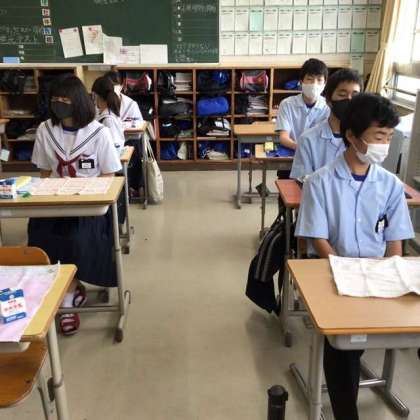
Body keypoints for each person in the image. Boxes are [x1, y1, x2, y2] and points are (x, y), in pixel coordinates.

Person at [295, 93, 414, 420]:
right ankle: (345, 413)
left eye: (389, 137)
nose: (384, 145)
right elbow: (318, 238)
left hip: (378, 274)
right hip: (335, 273)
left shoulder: (390, 185)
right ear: (352, 135)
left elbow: (394, 241)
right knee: (342, 349)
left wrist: (391, 275)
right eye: (379, 136)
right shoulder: (319, 182)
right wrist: (345, 271)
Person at [29, 74, 122, 336]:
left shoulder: (98, 133)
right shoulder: (46, 130)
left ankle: (68, 297)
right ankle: (65, 289)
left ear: (79, 101)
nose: (59, 103)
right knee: (40, 237)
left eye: (65, 99)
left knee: (75, 239)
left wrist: (87, 195)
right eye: (55, 99)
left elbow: (109, 175)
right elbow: (44, 172)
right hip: (55, 202)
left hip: (88, 206)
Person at [290, 68, 363, 179]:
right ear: (328, 100)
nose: (349, 100)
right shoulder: (308, 139)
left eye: (355, 95)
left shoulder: (365, 139)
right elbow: (301, 181)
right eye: (342, 94)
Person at [275, 58, 330, 152]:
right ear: (301, 82)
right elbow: (283, 137)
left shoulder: (328, 107)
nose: (314, 84)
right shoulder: (287, 104)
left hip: (318, 155)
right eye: (310, 79)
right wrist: (300, 148)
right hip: (292, 151)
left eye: (319, 80)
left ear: (324, 84)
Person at [91, 75, 125, 152]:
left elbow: (115, 147)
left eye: (93, 95)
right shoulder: (107, 113)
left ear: (96, 95)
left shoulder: (108, 119)